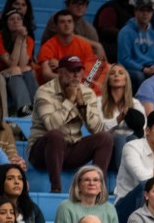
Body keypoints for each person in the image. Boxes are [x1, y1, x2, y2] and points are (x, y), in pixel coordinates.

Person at [28, 55, 113, 193]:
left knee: (105, 138)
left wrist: (81, 106)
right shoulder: (45, 91)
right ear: (60, 72)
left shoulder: (87, 93)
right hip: (43, 153)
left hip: (71, 150)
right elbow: (52, 126)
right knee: (55, 135)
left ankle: (97, 189)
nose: (76, 75)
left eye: (79, 70)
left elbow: (97, 129)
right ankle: (56, 189)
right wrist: (70, 101)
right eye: (71, 70)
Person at [37, 10, 106, 92]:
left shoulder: (84, 45)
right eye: (62, 22)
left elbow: (89, 73)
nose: (66, 25)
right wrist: (75, 77)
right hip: (55, 88)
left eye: (69, 21)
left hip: (81, 87)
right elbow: (47, 75)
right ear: (55, 27)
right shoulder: (48, 47)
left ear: (73, 25)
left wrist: (62, 66)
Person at [99, 63, 146, 173]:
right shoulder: (98, 102)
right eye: (112, 73)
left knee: (132, 139)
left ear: (126, 80)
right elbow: (98, 128)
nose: (116, 75)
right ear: (108, 80)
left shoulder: (135, 104)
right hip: (107, 146)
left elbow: (142, 129)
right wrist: (118, 119)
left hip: (132, 143)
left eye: (121, 73)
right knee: (120, 137)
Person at [0, 8, 39, 115]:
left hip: (15, 75)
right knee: (15, 69)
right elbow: (11, 64)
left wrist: (23, 40)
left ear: (23, 23)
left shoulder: (29, 40)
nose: (15, 21)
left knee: (26, 69)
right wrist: (19, 41)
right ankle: (25, 112)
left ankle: (38, 109)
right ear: (6, 23)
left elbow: (22, 65)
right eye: (11, 19)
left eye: (19, 19)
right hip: (0, 75)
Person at [116, 0, 154, 91]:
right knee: (139, 77)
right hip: (130, 69)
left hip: (150, 68)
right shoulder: (125, 32)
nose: (145, 14)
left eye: (148, 11)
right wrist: (143, 69)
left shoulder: (153, 34)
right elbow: (124, 59)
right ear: (135, 12)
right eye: (142, 10)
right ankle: (138, 103)